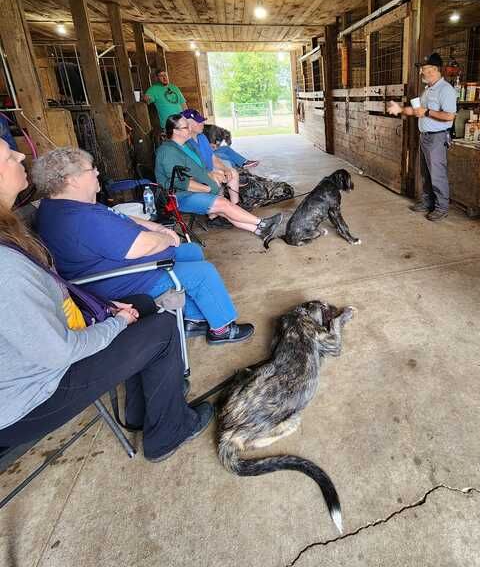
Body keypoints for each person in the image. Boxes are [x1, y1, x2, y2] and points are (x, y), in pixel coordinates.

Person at [0, 138, 213, 462]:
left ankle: (143, 412)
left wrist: (106, 310)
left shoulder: (18, 225)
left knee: (141, 303)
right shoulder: (5, 266)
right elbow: (59, 351)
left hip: (41, 355)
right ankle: (169, 432)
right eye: (7, 155)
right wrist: (116, 322)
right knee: (162, 327)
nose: (19, 153)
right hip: (28, 398)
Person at [32, 147, 254, 345]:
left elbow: (116, 215)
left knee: (191, 251)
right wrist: (167, 238)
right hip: (118, 280)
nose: (97, 172)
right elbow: (138, 247)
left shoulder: (62, 205)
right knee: (202, 273)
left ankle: (192, 318)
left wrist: (158, 229)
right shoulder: (80, 219)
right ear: (72, 179)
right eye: (92, 169)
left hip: (111, 267)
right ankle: (221, 329)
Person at [155, 114, 283, 246]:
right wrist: (208, 188)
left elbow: (201, 167)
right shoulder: (168, 151)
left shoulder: (186, 146)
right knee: (223, 204)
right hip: (178, 196)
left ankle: (259, 231)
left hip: (194, 190)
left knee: (224, 209)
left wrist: (213, 174)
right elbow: (179, 182)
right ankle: (262, 223)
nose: (190, 129)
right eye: (186, 127)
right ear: (176, 131)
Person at [388, 52, 456, 222]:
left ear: (434, 69)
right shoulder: (428, 90)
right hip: (425, 136)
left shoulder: (446, 90)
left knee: (437, 174)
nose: (421, 73)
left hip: (437, 138)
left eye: (423, 69)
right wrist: (401, 109)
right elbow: (418, 111)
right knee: (426, 173)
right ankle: (427, 202)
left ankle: (441, 208)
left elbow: (449, 116)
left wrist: (427, 111)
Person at [182, 109, 241, 206]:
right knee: (216, 179)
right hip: (196, 176)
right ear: (188, 124)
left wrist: (225, 169)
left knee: (232, 172)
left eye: (202, 121)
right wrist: (211, 174)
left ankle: (235, 205)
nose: (203, 123)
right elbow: (190, 168)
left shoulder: (202, 137)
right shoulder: (185, 142)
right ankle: (215, 213)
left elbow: (213, 158)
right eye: (199, 121)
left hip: (208, 171)